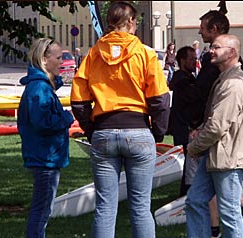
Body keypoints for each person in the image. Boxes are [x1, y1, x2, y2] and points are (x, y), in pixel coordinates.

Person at [70, 2, 170, 237]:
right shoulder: (145, 53)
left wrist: (91, 129)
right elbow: (159, 100)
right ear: (131, 22)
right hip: (137, 130)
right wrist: (157, 132)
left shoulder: (93, 54)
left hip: (104, 130)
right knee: (141, 207)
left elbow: (78, 101)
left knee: (105, 207)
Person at [193, 10, 243, 238]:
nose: (211, 51)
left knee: (229, 211)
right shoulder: (224, 79)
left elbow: (217, 126)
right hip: (216, 154)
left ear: (232, 53)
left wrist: (194, 147)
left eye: (217, 48)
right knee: (195, 201)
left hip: (228, 157)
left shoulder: (233, 84)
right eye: (212, 47)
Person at [17, 38, 75, 238]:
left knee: (42, 210)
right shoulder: (39, 89)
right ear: (44, 59)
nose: (62, 62)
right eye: (58, 58)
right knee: (41, 211)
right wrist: (66, 117)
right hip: (45, 157)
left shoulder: (42, 87)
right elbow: (43, 122)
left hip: (45, 156)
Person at [169, 46, 200, 196]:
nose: (195, 61)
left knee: (190, 164)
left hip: (183, 126)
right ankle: (186, 195)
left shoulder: (187, 79)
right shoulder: (183, 81)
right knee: (189, 164)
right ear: (182, 61)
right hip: (184, 128)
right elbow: (192, 100)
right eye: (192, 59)